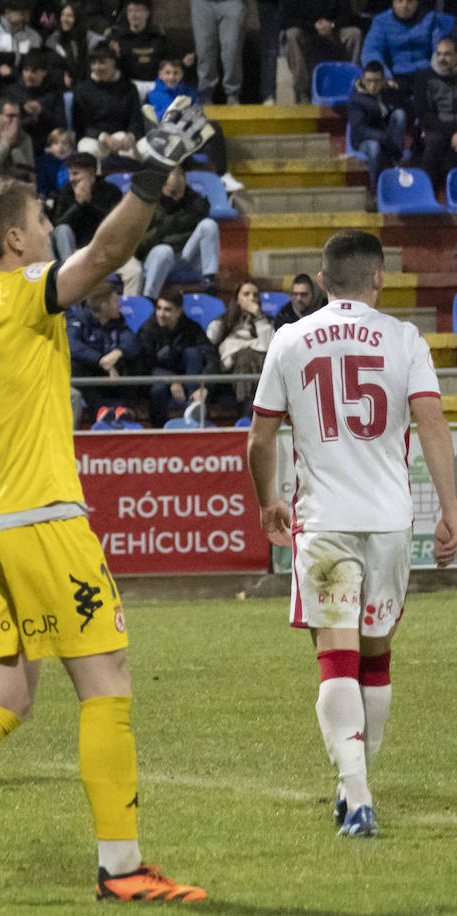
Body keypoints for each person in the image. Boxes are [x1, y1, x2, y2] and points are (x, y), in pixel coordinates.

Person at [0, 96, 211, 905]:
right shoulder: (22, 294)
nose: (52, 228)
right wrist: (152, 170)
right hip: (42, 519)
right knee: (108, 681)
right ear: (16, 242)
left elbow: (10, 250)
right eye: (39, 220)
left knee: (6, 696)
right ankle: (122, 869)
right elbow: (111, 248)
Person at [246, 228, 457, 840]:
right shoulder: (404, 339)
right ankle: (356, 786)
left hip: (326, 522)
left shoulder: (290, 338)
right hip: (391, 521)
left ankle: (355, 792)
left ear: (324, 277)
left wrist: (268, 501)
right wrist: (451, 510)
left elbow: (260, 439)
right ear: (379, 279)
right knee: (376, 655)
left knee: (333, 655)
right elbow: (435, 428)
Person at [51, 154, 142, 293]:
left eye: (76, 174)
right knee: (63, 230)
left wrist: (89, 204)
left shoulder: (111, 190)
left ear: (92, 173)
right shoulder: (66, 191)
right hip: (76, 253)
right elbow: (57, 225)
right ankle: (70, 287)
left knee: (134, 271)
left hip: (106, 251)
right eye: (70, 174)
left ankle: (131, 311)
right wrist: (78, 205)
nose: (71, 179)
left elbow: (115, 225)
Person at [136, 166, 219, 299]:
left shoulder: (193, 199)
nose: (177, 197)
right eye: (172, 192)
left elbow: (198, 229)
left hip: (184, 254)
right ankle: (150, 299)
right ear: (162, 186)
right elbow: (141, 242)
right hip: (157, 256)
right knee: (164, 250)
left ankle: (209, 278)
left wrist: (173, 226)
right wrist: (170, 227)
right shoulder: (147, 204)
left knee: (209, 225)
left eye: (180, 192)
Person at [136, 290, 217, 427]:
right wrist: (171, 379)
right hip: (160, 380)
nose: (161, 314)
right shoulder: (148, 329)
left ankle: (195, 409)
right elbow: (145, 366)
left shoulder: (192, 328)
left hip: (189, 380)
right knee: (158, 390)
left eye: (167, 310)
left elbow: (212, 358)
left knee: (192, 353)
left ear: (179, 312)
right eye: (159, 308)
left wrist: (205, 387)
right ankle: (159, 432)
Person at [67, 280, 141, 416]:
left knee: (135, 359)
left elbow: (132, 342)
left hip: (113, 377)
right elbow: (73, 346)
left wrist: (118, 353)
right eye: (115, 302)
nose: (119, 305)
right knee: (74, 365)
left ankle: (125, 409)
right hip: (92, 377)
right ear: (104, 305)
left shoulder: (119, 322)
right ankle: (100, 411)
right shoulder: (79, 320)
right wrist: (101, 360)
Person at [206, 280, 273, 413]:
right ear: (237, 299)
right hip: (231, 373)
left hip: (259, 369)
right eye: (246, 294)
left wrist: (259, 316)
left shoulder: (266, 321)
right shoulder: (223, 321)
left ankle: (251, 405)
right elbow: (209, 344)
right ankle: (248, 405)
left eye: (255, 295)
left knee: (254, 355)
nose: (251, 298)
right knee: (246, 355)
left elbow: (270, 347)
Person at [360, 0, 451, 97]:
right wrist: (386, 76)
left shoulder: (430, 18)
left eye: (409, 1)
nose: (404, 5)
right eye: (400, 1)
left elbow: (439, 48)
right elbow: (371, 52)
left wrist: (439, 71)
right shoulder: (381, 21)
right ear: (393, 2)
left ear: (417, 2)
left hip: (427, 73)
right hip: (396, 76)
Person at [347, 61, 409, 201]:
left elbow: (410, 94)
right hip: (363, 140)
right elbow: (359, 129)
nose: (373, 86)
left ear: (383, 80)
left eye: (376, 81)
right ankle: (375, 191)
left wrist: (397, 87)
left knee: (400, 114)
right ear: (363, 79)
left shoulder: (387, 90)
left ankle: (396, 163)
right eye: (369, 81)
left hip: (385, 135)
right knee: (374, 146)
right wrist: (383, 138)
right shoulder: (356, 99)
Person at [71, 43, 143, 162]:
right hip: (95, 138)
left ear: (113, 62)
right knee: (87, 150)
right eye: (93, 63)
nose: (97, 67)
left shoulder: (129, 88)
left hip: (121, 137)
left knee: (132, 151)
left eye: (102, 62)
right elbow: (80, 125)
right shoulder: (82, 89)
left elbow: (136, 120)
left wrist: (130, 136)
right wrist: (102, 136)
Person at [284, 0, 362, 104]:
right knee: (292, 34)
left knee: (354, 34)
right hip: (307, 33)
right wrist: (313, 27)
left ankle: (353, 85)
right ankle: (302, 91)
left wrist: (332, 25)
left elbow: (348, 15)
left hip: (334, 32)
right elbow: (286, 19)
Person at [417, 38, 457, 194]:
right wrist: (452, 132)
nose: (442, 59)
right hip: (435, 127)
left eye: (447, 54)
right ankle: (426, 194)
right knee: (434, 141)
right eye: (439, 54)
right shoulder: (424, 76)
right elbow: (424, 114)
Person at [9, 51, 69, 150]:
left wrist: (41, 112)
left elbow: (62, 125)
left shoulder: (54, 94)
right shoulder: (12, 92)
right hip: (19, 142)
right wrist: (29, 118)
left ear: (44, 73)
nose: (29, 75)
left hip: (47, 143)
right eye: (26, 70)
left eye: (34, 71)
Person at [190, 0, 246, 104]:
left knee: (232, 50)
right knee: (204, 50)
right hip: (202, 3)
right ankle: (204, 95)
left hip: (232, 2)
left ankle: (232, 94)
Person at [45, 2, 99, 86]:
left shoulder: (89, 37)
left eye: (70, 16)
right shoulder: (54, 39)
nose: (65, 19)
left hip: (87, 83)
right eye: (62, 15)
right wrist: (61, 77)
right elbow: (50, 67)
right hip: (61, 85)